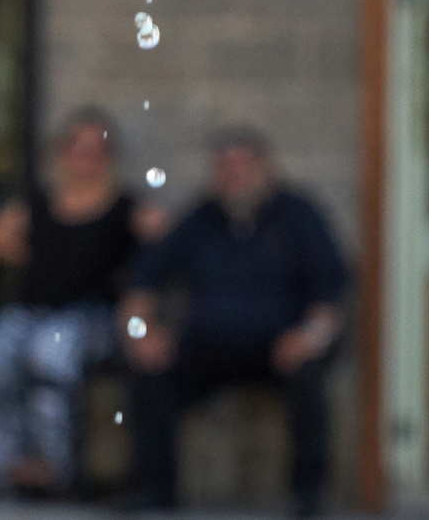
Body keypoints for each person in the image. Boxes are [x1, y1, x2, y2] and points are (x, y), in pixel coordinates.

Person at [118, 125, 348, 518]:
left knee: (310, 379)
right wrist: (140, 333)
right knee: (149, 374)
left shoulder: (299, 215)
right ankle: (156, 492)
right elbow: (144, 282)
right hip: (208, 346)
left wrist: (309, 337)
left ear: (266, 168)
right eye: (224, 167)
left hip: (280, 348)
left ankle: (309, 496)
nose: (234, 175)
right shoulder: (200, 218)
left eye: (244, 165)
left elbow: (331, 292)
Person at [0, 107, 160, 497]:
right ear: (60, 153)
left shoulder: (126, 208)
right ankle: (5, 466)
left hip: (95, 320)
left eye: (95, 149)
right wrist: (34, 256)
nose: (85, 157)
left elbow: (167, 247)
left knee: (51, 352)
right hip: (35, 314)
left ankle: (57, 469)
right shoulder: (40, 205)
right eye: (76, 147)